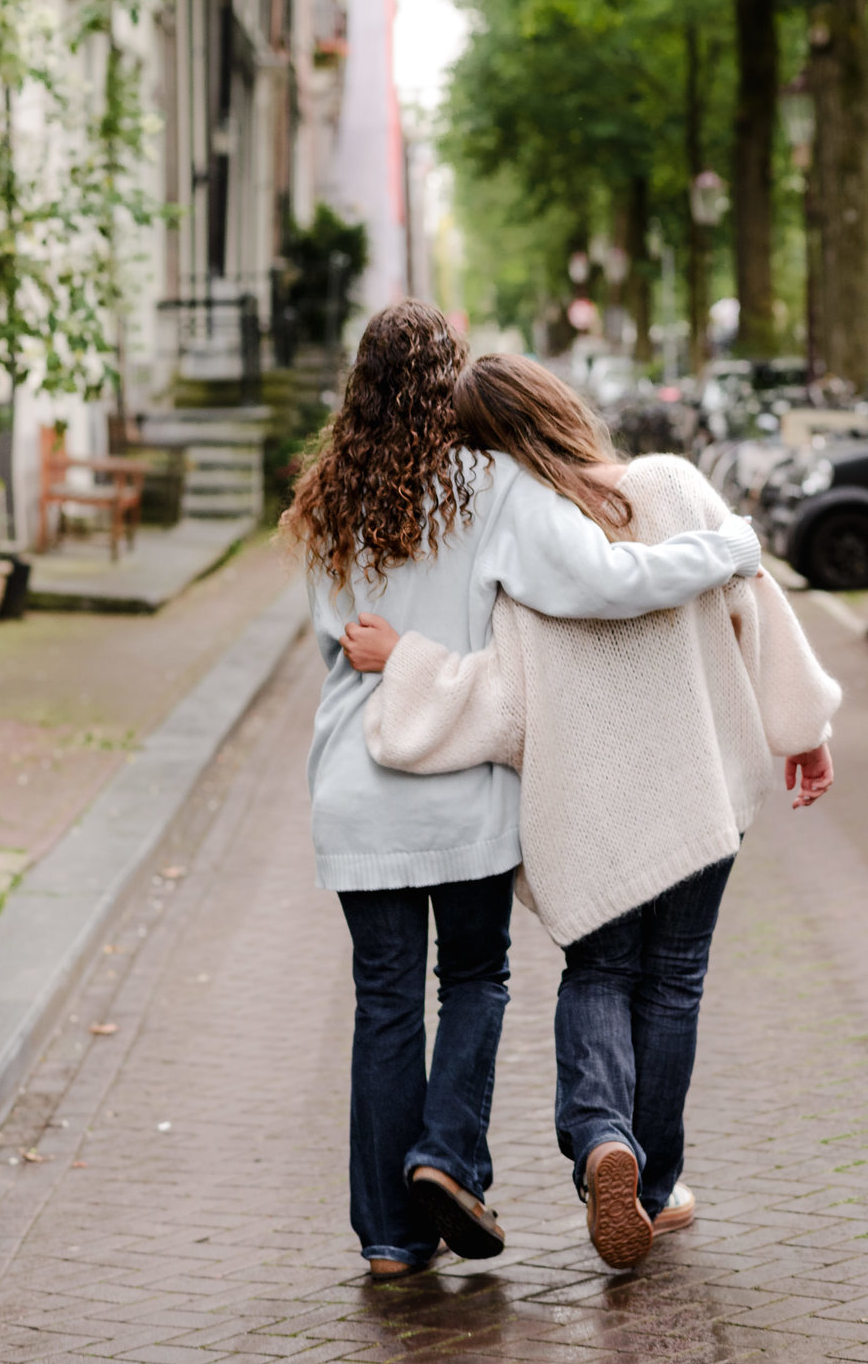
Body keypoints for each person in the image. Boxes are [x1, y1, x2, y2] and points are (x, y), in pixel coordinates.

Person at [282, 303, 765, 1279]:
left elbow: (340, 633)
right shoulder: (487, 486)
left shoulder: (321, 500)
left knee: (383, 1004)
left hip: (354, 784)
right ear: (446, 380)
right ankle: (448, 1155)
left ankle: (390, 1237)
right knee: (472, 980)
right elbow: (601, 580)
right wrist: (726, 548)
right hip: (458, 786)